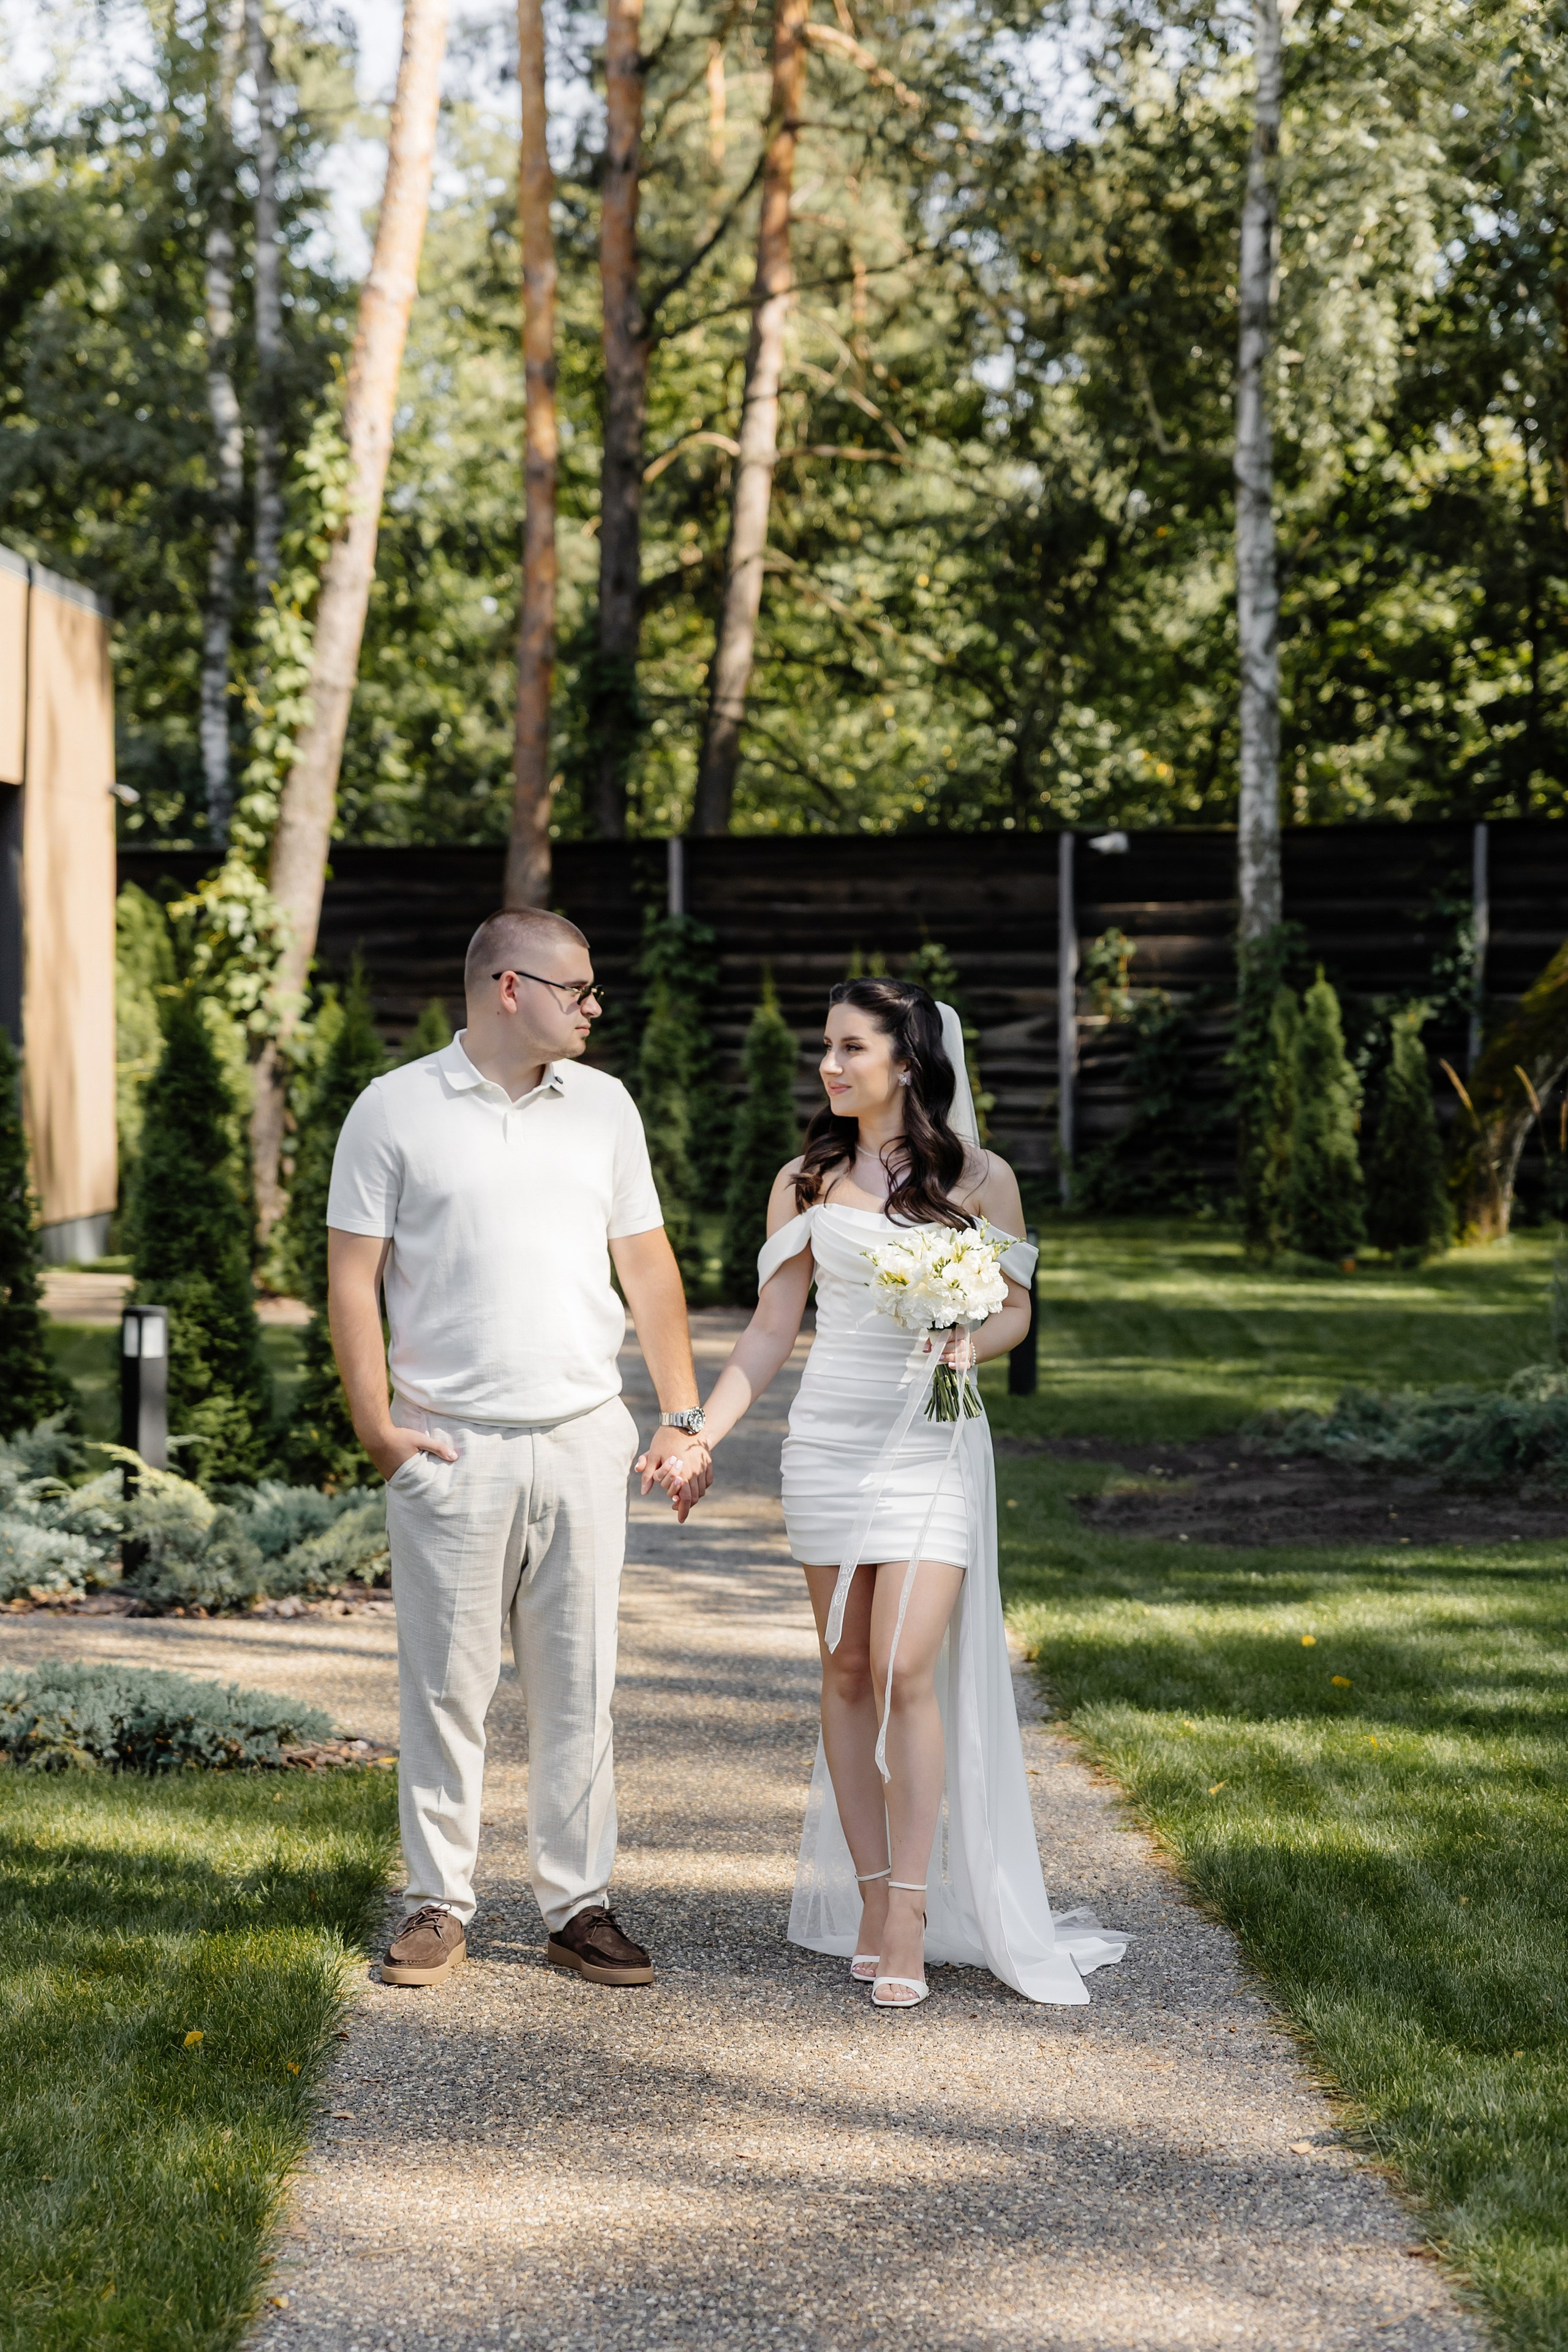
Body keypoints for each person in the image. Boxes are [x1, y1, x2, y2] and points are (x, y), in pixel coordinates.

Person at [680, 978, 1125, 2008]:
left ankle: (917, 1907)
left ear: (908, 1062)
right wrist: (700, 1430)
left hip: (932, 1443)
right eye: (825, 1049)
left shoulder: (982, 1177)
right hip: (828, 1442)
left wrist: (974, 1334)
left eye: (850, 1048)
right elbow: (768, 1329)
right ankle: (874, 1895)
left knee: (903, 1668)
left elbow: (1015, 1308)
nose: (830, 1067)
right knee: (844, 1669)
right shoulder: (804, 1178)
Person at [326, 908, 712, 1991]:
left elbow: (648, 1266)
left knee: (578, 1685)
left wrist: (681, 1417)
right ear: (508, 987)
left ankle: (577, 1905)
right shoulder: (393, 1108)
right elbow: (353, 1275)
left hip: (584, 1438)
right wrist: (376, 1427)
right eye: (577, 989)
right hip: (450, 1448)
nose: (595, 1007)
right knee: (445, 1688)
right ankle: (438, 1902)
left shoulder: (606, 1108)